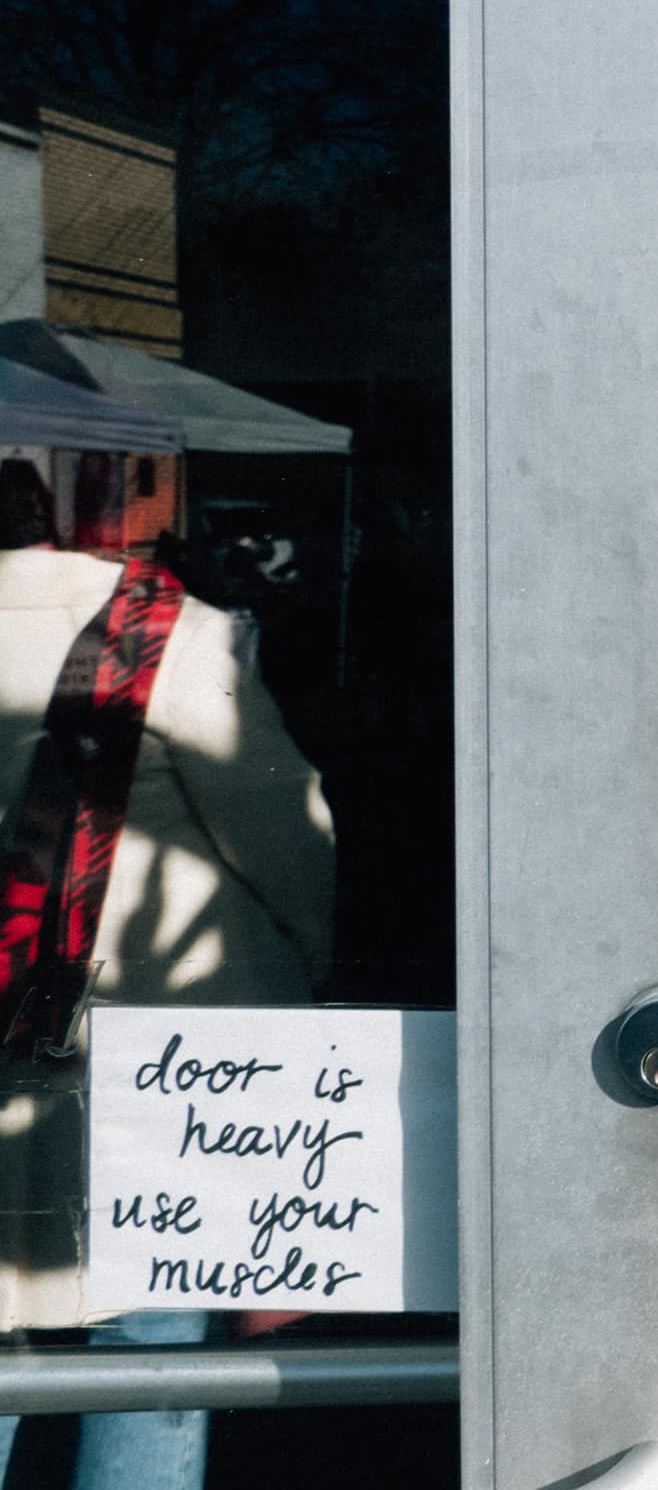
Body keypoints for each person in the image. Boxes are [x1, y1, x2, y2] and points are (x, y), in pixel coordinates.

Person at [0, 458, 335, 1488]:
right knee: (153, 1367)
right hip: (142, 1086)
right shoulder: (162, 629)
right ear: (58, 524)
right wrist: (314, 989)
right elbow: (285, 841)